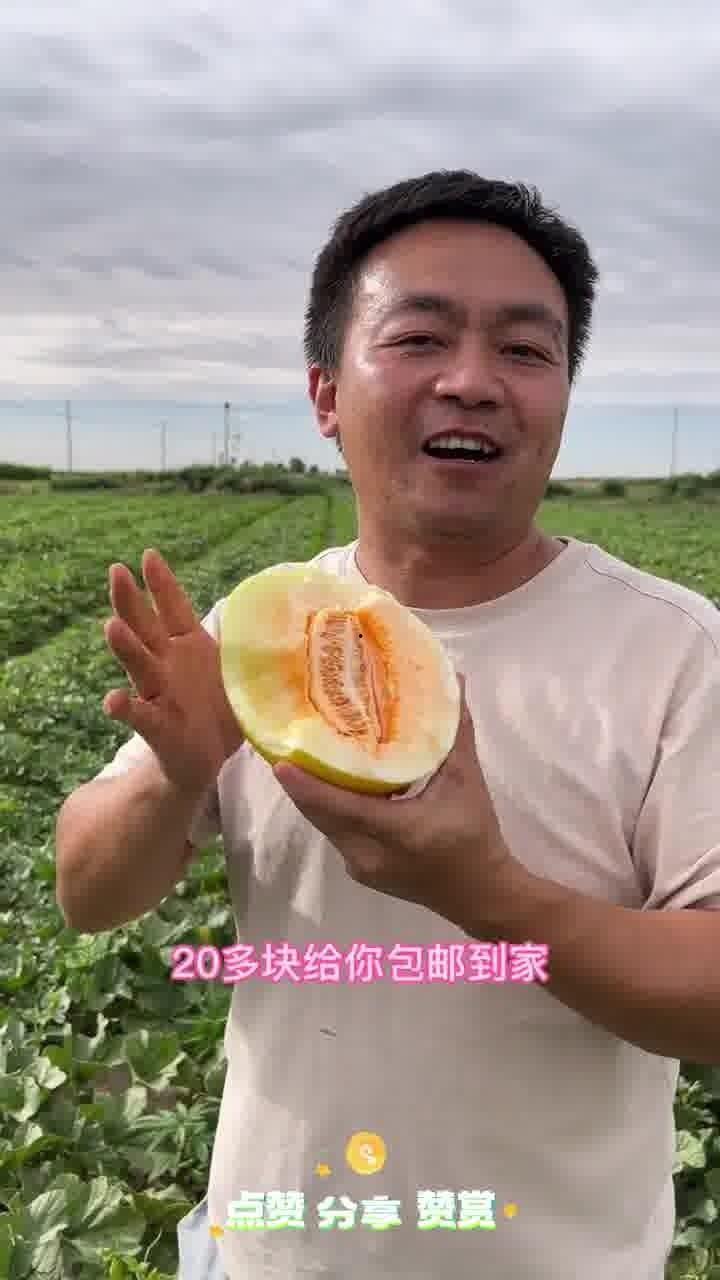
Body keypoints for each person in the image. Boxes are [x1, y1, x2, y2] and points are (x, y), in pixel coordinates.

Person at [55, 170, 720, 1280]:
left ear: (565, 395)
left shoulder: (680, 651)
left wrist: (485, 891)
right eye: (419, 338)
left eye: (526, 349)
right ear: (325, 394)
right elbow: (87, 892)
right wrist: (173, 778)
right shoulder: (258, 629)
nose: (473, 382)